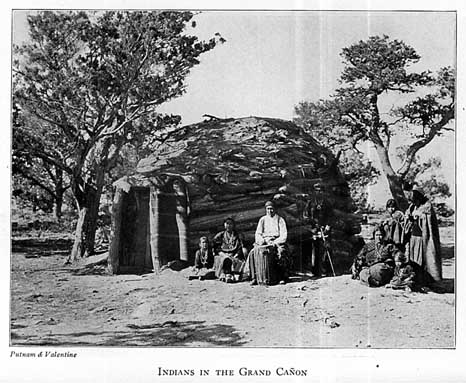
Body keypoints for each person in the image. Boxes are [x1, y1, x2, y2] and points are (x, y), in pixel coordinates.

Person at [403, 189, 442, 283]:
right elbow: (407, 216)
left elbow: (428, 220)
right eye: (412, 201)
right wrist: (408, 218)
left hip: (424, 238)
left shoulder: (427, 206)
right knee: (414, 259)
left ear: (419, 199)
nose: (414, 203)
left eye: (415, 201)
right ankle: (416, 277)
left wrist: (419, 217)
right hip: (414, 237)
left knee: (425, 258)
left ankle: (427, 279)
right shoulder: (412, 207)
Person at [250, 201, 290, 285]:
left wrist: (275, 242)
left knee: (281, 252)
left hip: (276, 241)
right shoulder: (263, 220)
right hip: (265, 241)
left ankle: (281, 277)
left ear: (275, 209)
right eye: (268, 209)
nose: (270, 211)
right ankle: (255, 277)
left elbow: (284, 235)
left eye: (271, 209)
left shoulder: (280, 220)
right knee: (253, 252)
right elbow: (258, 233)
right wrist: (262, 241)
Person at [212, 218, 247, 283]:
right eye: (227, 224)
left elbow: (240, 247)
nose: (229, 225)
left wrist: (235, 255)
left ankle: (232, 275)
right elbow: (217, 248)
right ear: (224, 225)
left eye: (230, 224)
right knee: (225, 260)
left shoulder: (238, 235)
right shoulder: (220, 235)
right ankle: (227, 275)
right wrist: (223, 254)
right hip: (222, 254)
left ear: (233, 225)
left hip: (234, 254)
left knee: (236, 261)